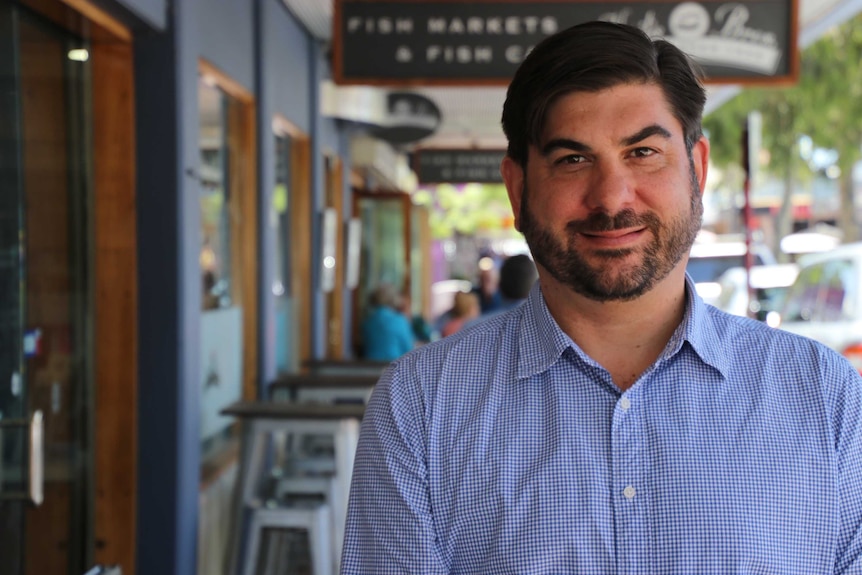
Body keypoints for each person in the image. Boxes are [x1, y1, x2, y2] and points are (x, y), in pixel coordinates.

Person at [342, 21, 862, 574]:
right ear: (518, 190)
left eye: (642, 152)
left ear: (698, 170)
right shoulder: (420, 406)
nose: (611, 197)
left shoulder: (827, 400)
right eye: (572, 159)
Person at [358, 283, 415, 361]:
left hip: (368, 367)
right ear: (394, 299)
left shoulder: (367, 322)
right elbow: (409, 350)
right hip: (393, 367)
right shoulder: (399, 321)